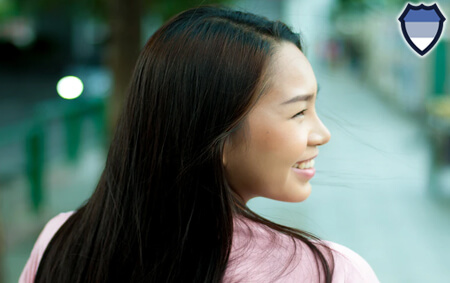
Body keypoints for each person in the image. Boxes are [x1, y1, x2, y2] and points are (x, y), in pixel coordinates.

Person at [19, 4, 380, 283]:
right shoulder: (328, 272)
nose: (322, 133)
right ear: (216, 134)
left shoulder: (61, 244)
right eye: (299, 112)